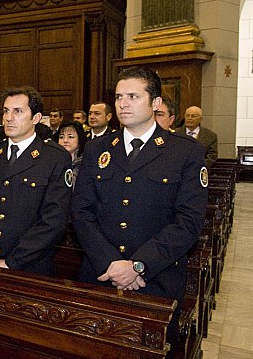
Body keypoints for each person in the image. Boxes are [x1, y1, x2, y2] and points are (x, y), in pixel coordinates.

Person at [71, 66, 208, 344]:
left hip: (157, 278)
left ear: (155, 103)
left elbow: (188, 223)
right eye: (119, 97)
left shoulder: (185, 152)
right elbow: (81, 212)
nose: (123, 103)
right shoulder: (98, 148)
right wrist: (111, 261)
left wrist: (138, 266)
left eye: (133, 96)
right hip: (100, 272)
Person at [0, 86, 72, 275]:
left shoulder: (54, 158)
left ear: (36, 118)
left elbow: (54, 219)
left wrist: (13, 262)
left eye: (18, 111)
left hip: (30, 267)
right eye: (6, 111)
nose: (8, 117)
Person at [57, 120, 87, 188]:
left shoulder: (86, 162)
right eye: (61, 137)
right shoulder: (53, 161)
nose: (65, 141)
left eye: (70, 137)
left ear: (80, 139)